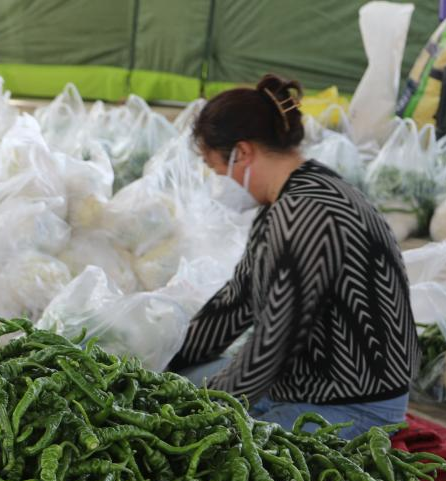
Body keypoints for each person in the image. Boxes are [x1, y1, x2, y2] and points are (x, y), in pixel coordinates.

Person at [166, 74, 419, 439]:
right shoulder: (293, 197)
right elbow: (235, 302)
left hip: (354, 404)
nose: (218, 181)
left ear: (244, 152)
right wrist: (166, 364)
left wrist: (201, 415)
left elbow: (274, 346)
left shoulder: (304, 215)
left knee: (202, 446)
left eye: (216, 169)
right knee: (177, 385)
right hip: (310, 382)